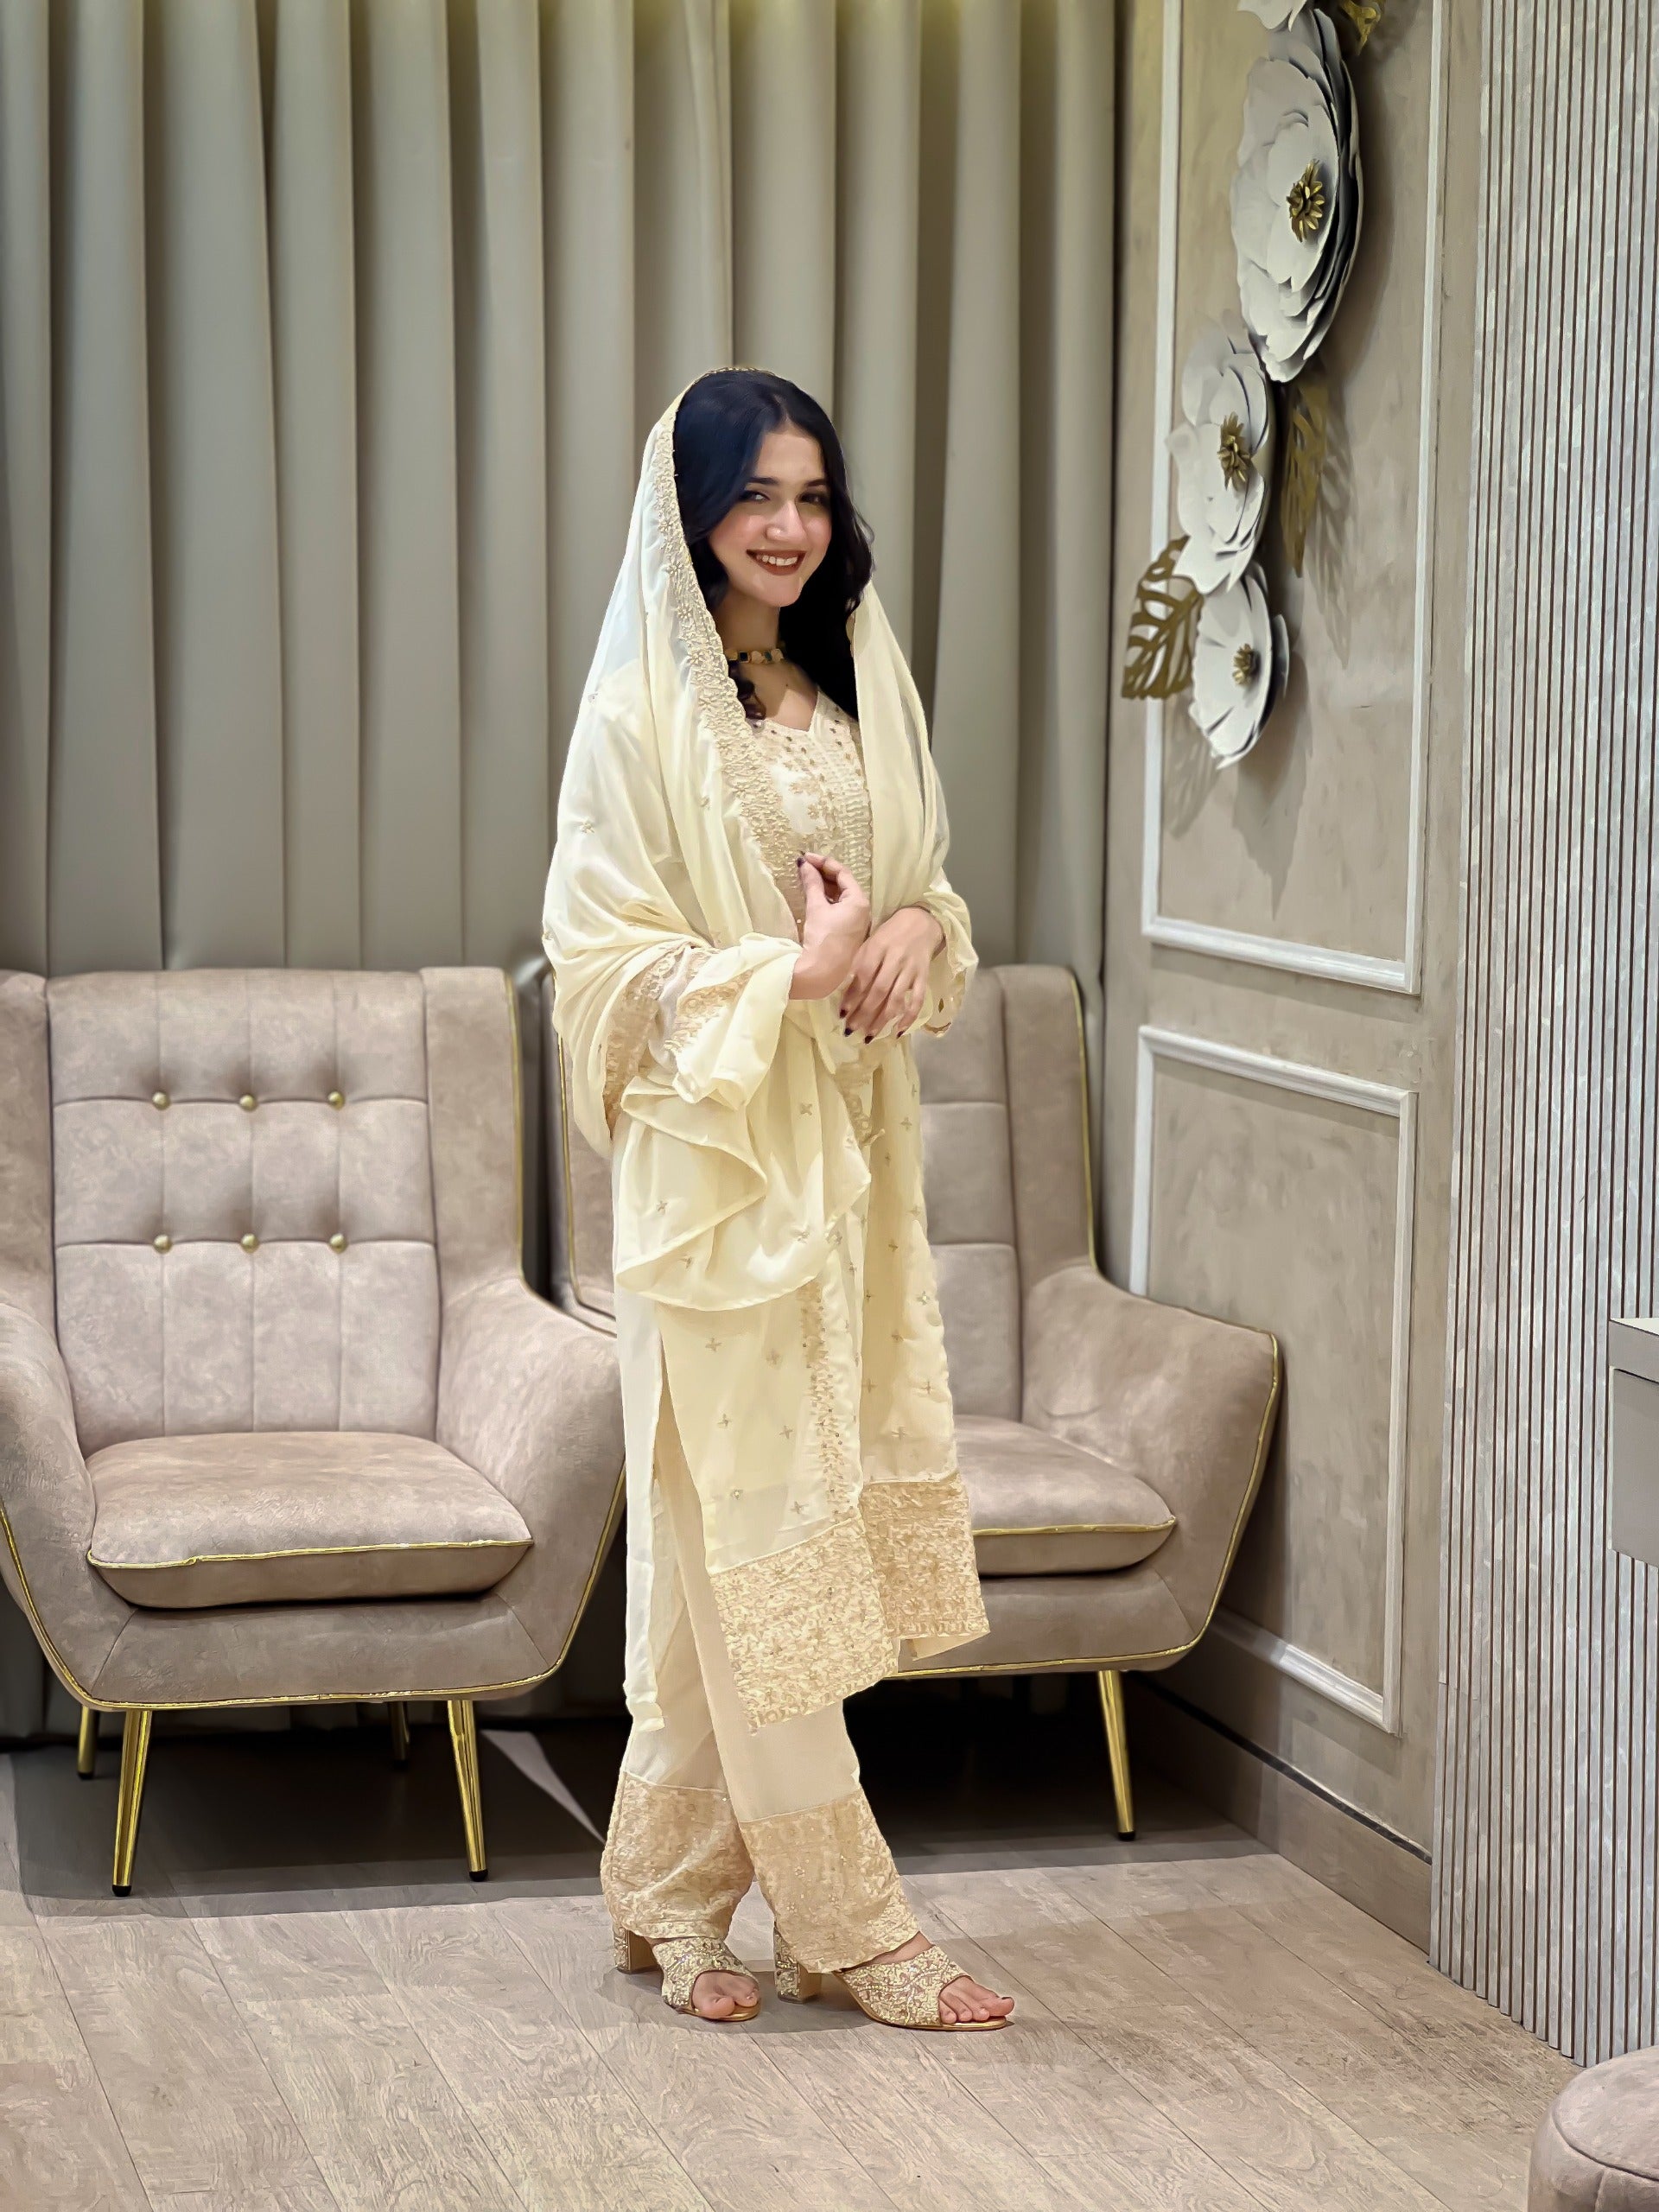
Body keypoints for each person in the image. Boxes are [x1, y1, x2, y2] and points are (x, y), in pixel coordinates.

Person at [541, 367, 1014, 2032]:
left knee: (730, 1541)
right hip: (717, 1183)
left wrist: (913, 933)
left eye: (812, 495)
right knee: (759, 1532)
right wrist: (784, 974)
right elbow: (596, 976)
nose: (790, 527)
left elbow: (929, 895)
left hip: (853, 1168)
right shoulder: (638, 720)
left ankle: (668, 1896)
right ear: (693, 516)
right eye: (756, 496)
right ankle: (853, 1924)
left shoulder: (859, 680)